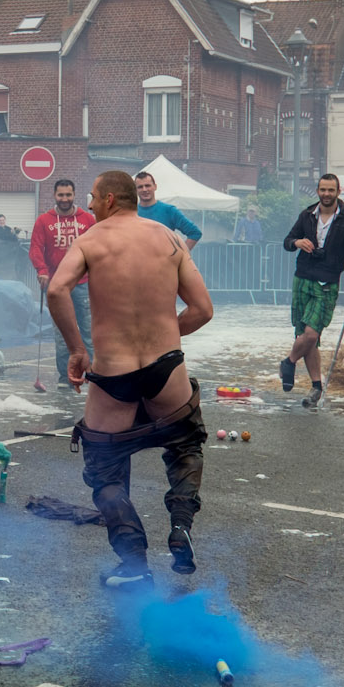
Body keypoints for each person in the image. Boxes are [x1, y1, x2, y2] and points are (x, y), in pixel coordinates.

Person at [45, 171, 214, 591]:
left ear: (107, 200)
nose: (88, 205)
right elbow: (202, 310)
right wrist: (166, 334)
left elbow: (56, 290)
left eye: (91, 198)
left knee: (104, 469)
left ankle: (133, 561)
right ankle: (180, 524)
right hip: (166, 367)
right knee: (184, 443)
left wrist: (77, 350)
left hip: (114, 373)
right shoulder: (169, 239)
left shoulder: (91, 239)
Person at [279, 173, 344, 408]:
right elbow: (287, 241)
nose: (326, 194)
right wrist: (297, 243)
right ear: (318, 191)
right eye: (323, 190)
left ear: (338, 192)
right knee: (306, 337)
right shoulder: (307, 215)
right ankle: (316, 387)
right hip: (302, 280)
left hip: (327, 282)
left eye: (331, 190)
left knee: (312, 334)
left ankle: (288, 362)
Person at [30, 179, 96, 386]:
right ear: (54, 195)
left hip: (83, 282)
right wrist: (42, 271)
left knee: (87, 331)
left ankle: (92, 375)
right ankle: (64, 376)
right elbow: (35, 249)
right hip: (56, 286)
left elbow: (97, 247)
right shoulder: (43, 220)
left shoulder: (88, 220)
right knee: (61, 334)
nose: (65, 199)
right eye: (61, 195)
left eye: (68, 195)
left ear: (74, 194)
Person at [133, 171, 202, 250]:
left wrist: (181, 256)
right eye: (140, 187)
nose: (144, 189)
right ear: (136, 190)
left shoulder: (169, 211)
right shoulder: (131, 212)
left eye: (147, 185)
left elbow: (195, 233)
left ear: (155, 187)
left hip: (163, 262)